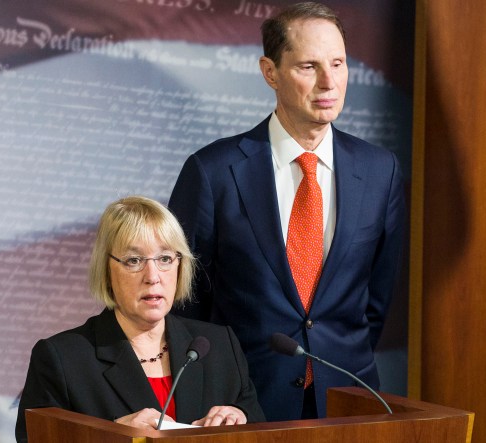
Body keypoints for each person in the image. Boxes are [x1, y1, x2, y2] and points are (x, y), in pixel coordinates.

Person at [168, 2, 406, 421]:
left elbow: (375, 301)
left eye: (338, 63)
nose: (329, 82)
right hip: (241, 406)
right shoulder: (213, 173)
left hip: (348, 403)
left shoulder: (380, 170)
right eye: (309, 67)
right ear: (270, 72)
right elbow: (186, 306)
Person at [15, 196, 265, 442]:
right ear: (106, 269)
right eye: (134, 261)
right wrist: (109, 436)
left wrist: (240, 419)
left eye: (165, 258)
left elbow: (260, 429)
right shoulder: (62, 359)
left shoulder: (219, 346)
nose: (153, 276)